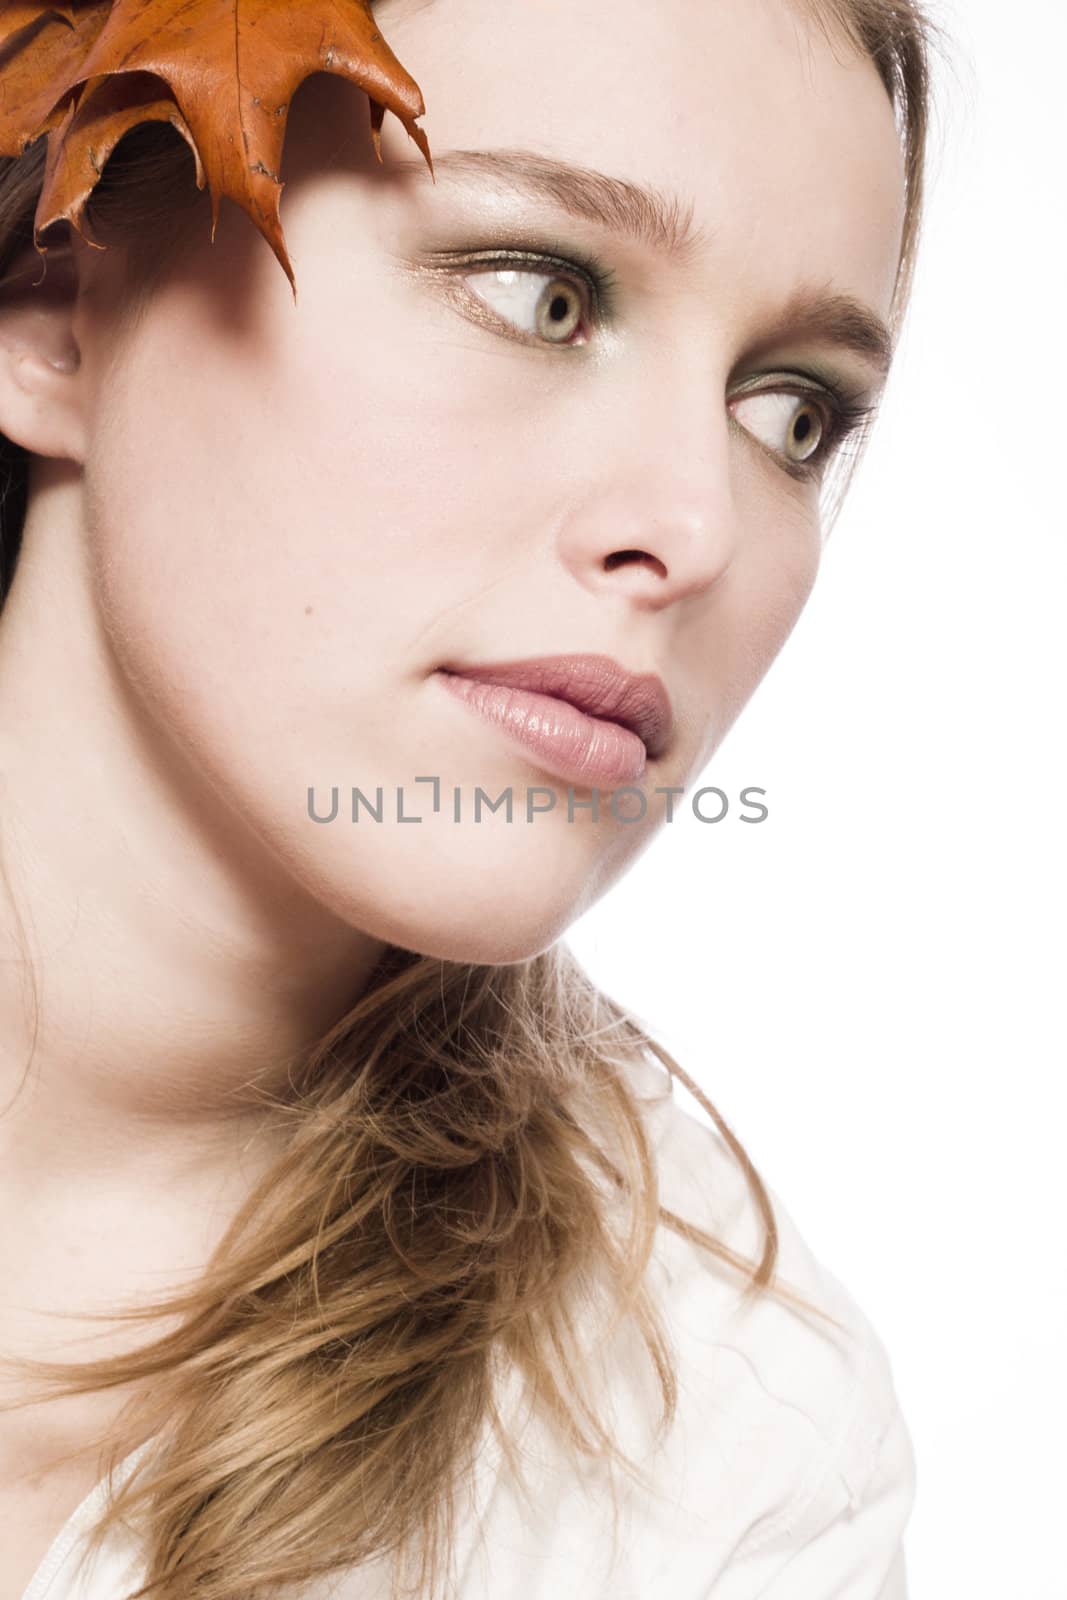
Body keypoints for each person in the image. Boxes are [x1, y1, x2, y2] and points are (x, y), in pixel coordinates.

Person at [0, 0, 934, 1595]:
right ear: (62, 312)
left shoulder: (718, 1448)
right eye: (544, 293)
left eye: (792, 411)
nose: (695, 525)